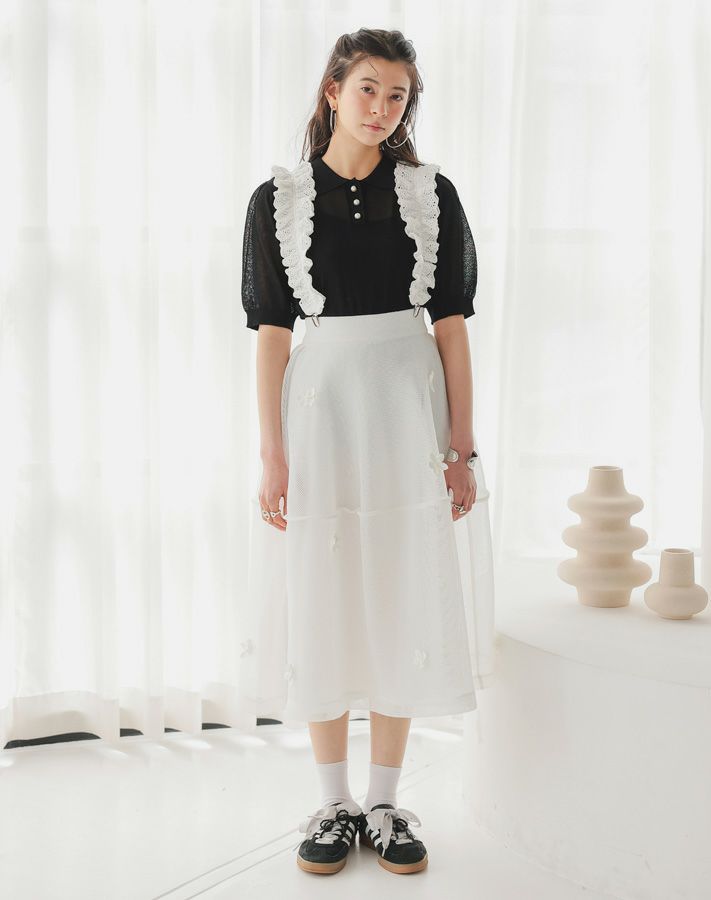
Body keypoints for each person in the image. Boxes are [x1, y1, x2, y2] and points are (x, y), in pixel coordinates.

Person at [240, 28, 496, 876]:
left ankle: (385, 800)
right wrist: (273, 455)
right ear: (333, 91)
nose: (382, 108)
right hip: (321, 414)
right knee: (324, 588)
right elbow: (272, 336)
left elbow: (450, 327)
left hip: (406, 411)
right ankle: (334, 801)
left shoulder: (430, 193)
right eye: (368, 89)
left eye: (397, 96)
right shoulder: (277, 200)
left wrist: (461, 446)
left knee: (401, 586)